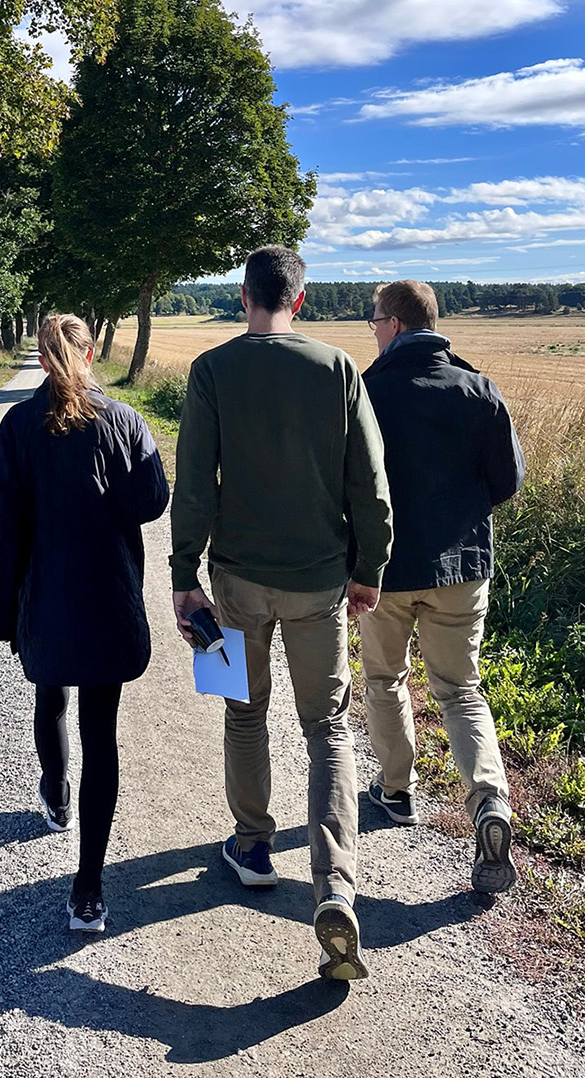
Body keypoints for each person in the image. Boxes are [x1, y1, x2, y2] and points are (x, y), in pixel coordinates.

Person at [170, 246, 392, 982]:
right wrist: (368, 571)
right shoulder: (336, 370)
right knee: (326, 727)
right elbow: (371, 486)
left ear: (243, 297)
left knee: (244, 711)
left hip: (235, 577)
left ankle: (254, 846)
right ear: (300, 300)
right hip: (320, 580)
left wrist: (182, 575)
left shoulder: (212, 370)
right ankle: (334, 884)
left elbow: (195, 483)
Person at [0, 314, 169, 932]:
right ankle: (88, 888)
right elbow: (151, 502)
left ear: (41, 357)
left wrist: (0, 610)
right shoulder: (124, 422)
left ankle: (56, 795)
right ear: (90, 353)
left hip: (46, 600)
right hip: (109, 598)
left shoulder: (17, 427)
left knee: (49, 697)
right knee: (103, 734)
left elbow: (1, 531)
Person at [361, 280, 525, 893]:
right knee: (461, 691)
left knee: (384, 679)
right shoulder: (478, 388)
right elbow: (506, 480)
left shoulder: (367, 390)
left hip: (384, 573)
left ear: (396, 324)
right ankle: (488, 802)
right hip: (462, 566)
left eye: (374, 320)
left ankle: (397, 791)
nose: (372, 331)